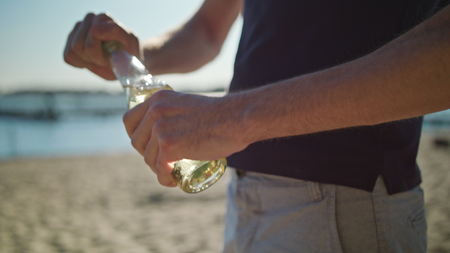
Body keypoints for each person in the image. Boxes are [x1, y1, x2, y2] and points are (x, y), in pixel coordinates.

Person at [64, 0, 450, 252]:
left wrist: (233, 118)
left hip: (343, 203)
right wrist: (136, 54)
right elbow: (206, 31)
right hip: (246, 197)